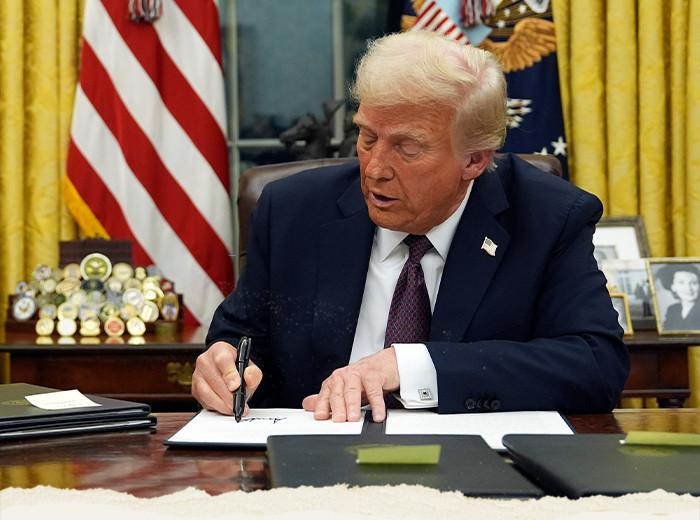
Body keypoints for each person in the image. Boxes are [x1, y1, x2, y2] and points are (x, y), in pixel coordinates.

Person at [192, 31, 629, 423]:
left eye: (407, 148)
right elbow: (241, 340)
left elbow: (595, 366)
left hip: (474, 470)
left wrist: (410, 366)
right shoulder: (293, 212)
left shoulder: (547, 217)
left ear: (474, 160)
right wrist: (223, 367)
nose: (375, 169)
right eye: (367, 137)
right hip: (314, 456)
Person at [658, 264, 700, 331]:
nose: (688, 288)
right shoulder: (672, 310)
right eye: (681, 283)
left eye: (693, 283)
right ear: (673, 287)